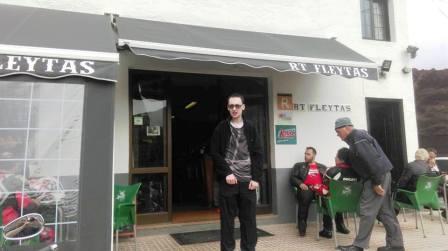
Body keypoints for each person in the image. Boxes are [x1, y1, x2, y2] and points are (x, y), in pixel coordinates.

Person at [334, 117, 404, 251]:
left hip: (376, 176)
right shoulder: (357, 138)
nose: (338, 135)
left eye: (338, 132)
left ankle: (359, 246)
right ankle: (396, 245)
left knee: (367, 211)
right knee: (385, 211)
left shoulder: (358, 138)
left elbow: (372, 160)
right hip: (382, 174)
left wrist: (376, 182)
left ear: (346, 128)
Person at [210, 93, 263, 251]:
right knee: (227, 222)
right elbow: (215, 152)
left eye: (237, 106)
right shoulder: (221, 128)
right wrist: (227, 173)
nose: (234, 109)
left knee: (249, 221)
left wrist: (256, 178)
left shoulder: (251, 127)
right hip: (229, 183)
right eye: (231, 106)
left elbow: (258, 154)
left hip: (248, 183)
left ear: (243, 107)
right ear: (228, 108)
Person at [290, 147, 349, 238]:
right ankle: (302, 226)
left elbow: (328, 179)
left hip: (320, 189)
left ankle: (334, 226)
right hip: (307, 189)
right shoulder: (299, 165)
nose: (305, 156)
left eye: (308, 154)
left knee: (332, 198)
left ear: (314, 155)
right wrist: (300, 183)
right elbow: (292, 178)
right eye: (305, 154)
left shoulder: (322, 166)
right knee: (305, 196)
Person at [320, 147, 359, 238]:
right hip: (352, 204)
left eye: (336, 156)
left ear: (341, 159)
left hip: (334, 203)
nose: (334, 158)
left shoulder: (332, 170)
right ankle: (340, 225)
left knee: (327, 196)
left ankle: (327, 229)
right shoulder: (357, 172)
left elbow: (325, 187)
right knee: (339, 196)